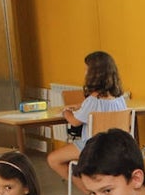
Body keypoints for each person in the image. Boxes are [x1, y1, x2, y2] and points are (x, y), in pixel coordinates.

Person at [48, 50, 128, 187]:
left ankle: (90, 192)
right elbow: (99, 106)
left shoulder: (93, 100)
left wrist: (66, 112)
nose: (85, 73)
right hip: (116, 146)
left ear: (95, 74)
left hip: (94, 147)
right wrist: (79, 105)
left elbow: (74, 121)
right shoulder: (120, 98)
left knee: (53, 159)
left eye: (87, 70)